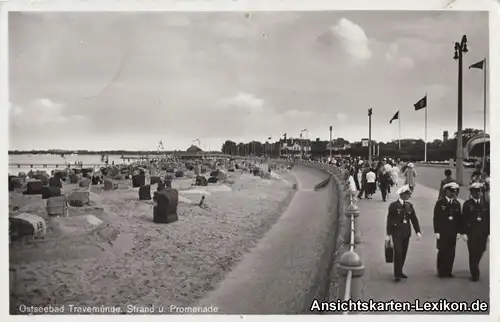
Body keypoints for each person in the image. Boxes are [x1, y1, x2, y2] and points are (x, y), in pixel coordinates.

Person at [386, 185, 421, 282]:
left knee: (404, 253)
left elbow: (414, 219)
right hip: (396, 232)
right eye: (407, 194)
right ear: (402, 194)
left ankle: (400, 270)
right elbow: (389, 220)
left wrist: (418, 231)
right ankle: (397, 274)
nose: (409, 196)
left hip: (406, 232)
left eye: (409, 195)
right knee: (398, 252)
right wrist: (388, 234)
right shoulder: (393, 205)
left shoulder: (409, 205)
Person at [433, 182, 463, 278]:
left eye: (454, 191)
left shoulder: (457, 204)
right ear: (446, 191)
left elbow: (459, 219)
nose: (453, 193)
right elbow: (436, 218)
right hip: (442, 231)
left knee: (451, 252)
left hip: (452, 231)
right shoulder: (440, 203)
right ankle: (441, 271)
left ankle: (448, 270)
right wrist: (436, 231)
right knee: (442, 251)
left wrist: (459, 231)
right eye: (451, 191)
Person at [462, 182, 489, 281]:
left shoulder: (485, 204)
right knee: (473, 252)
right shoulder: (467, 204)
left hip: (483, 233)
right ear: (472, 192)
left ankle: (475, 265)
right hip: (472, 233)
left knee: (481, 250)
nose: (479, 193)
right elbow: (464, 219)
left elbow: (488, 219)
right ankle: (475, 272)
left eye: (480, 191)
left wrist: (489, 233)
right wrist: (464, 232)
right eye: (476, 191)